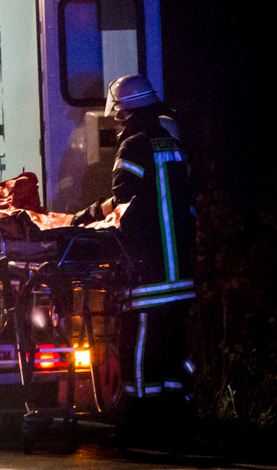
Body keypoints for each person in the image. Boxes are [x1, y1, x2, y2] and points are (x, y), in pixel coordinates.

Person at [72, 74, 196, 449]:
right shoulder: (171, 142)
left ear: (123, 111)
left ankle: (142, 423)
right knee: (172, 351)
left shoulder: (131, 146)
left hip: (149, 272)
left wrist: (88, 226)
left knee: (138, 351)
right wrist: (92, 212)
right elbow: (151, 196)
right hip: (181, 271)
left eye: (117, 115)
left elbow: (125, 208)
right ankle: (177, 420)